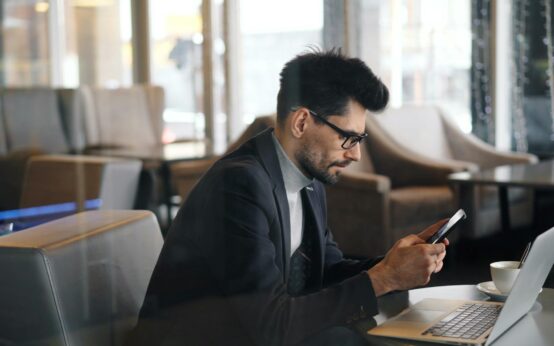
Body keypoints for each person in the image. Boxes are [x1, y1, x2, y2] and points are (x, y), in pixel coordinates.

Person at [128, 49, 448, 346]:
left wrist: (393, 264)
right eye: (348, 138)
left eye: (360, 138)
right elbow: (270, 325)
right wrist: (385, 278)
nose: (356, 154)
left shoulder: (308, 179)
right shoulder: (239, 184)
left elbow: (326, 270)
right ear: (301, 122)